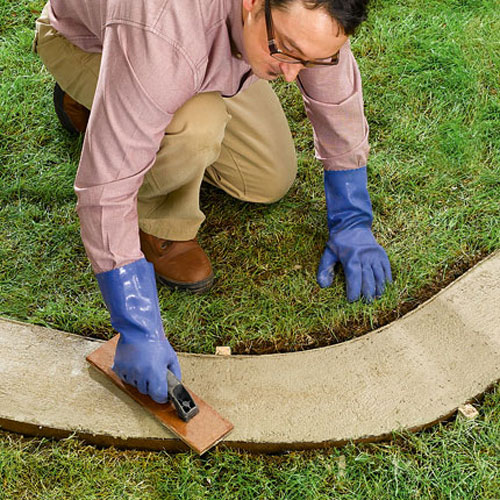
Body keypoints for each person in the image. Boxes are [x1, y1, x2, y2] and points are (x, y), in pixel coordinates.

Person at [33, 0, 392, 403]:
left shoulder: (302, 20)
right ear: (254, 4)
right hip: (92, 42)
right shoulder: (161, 30)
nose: (291, 75)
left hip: (203, 52)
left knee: (267, 177)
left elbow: (335, 100)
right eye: (285, 50)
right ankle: (153, 211)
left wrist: (352, 218)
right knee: (196, 125)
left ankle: (132, 107)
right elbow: (104, 190)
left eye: (310, 61)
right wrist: (136, 324)